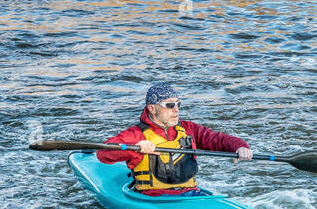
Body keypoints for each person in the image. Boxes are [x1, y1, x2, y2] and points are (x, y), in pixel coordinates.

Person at [96, 83, 252, 196]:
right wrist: (135, 146)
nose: (176, 110)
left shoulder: (188, 128)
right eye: (169, 105)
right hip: (155, 198)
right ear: (152, 108)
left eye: (178, 104)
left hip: (191, 194)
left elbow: (217, 139)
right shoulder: (136, 134)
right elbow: (104, 153)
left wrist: (239, 147)